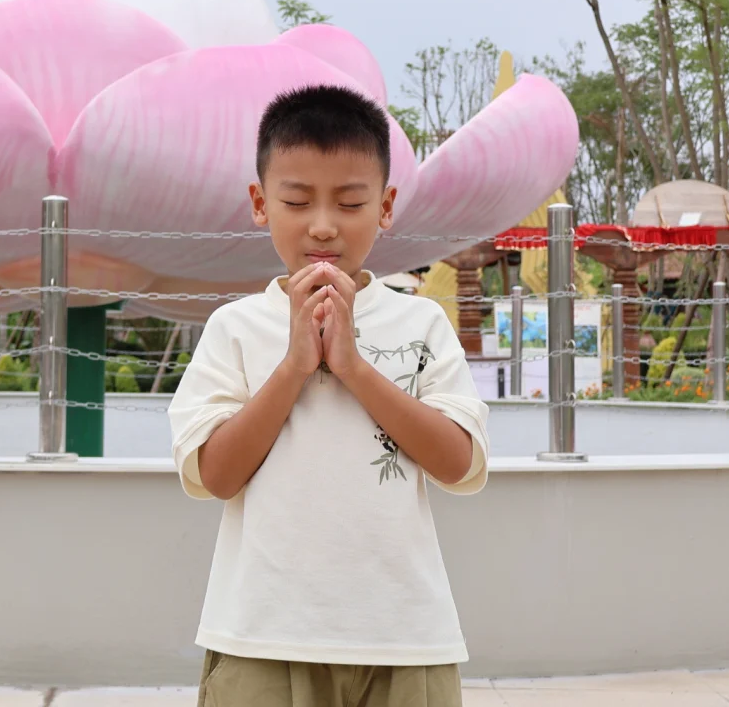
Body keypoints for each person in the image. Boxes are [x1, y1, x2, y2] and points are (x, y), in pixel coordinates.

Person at [168, 84, 489, 707]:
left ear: (386, 206)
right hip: (260, 638)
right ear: (261, 203)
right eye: (296, 200)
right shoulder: (235, 328)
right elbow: (216, 475)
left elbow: (458, 464)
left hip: (405, 641)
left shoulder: (421, 325)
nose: (322, 225)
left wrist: (355, 368)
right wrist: (293, 365)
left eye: (349, 202)